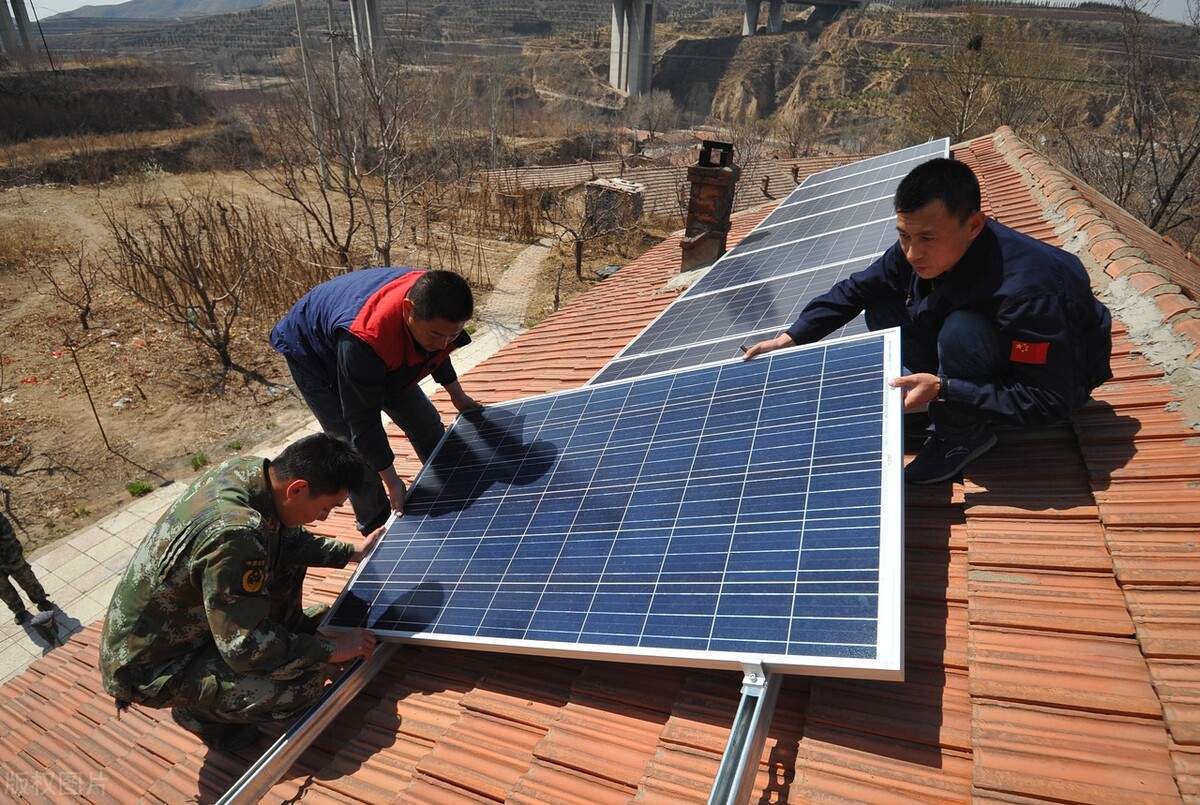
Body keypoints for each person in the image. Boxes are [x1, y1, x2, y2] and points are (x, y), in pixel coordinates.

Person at [744, 157, 1112, 485]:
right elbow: (856, 290)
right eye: (903, 236)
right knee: (882, 308)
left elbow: (1048, 399)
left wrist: (947, 389)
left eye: (927, 238)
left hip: (1054, 377)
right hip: (990, 353)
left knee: (962, 331)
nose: (913, 252)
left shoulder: (1030, 292)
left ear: (973, 225)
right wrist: (790, 337)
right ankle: (944, 394)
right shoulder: (916, 249)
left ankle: (962, 433)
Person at [99, 433, 379, 752]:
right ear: (297, 488)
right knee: (304, 686)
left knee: (288, 557)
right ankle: (198, 716)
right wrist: (329, 649)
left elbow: (288, 541)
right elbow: (244, 647)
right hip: (152, 665)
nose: (324, 518)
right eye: (326, 508)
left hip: (187, 628)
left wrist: (351, 552)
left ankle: (284, 640)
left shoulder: (250, 473)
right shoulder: (236, 534)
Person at [271, 268, 482, 534]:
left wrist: (458, 396)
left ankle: (454, 482)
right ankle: (377, 525)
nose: (443, 344)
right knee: (354, 456)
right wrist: (393, 482)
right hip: (316, 354)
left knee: (426, 421)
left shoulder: (438, 297)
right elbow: (363, 420)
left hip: (376, 342)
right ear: (409, 310)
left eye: (451, 336)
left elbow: (437, 354)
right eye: (436, 335)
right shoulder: (366, 340)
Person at [0, 510, 56, 626]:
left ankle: (41, 599)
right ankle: (18, 610)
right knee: (4, 590)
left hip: (11, 556)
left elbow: (8, 535)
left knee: (27, 579)